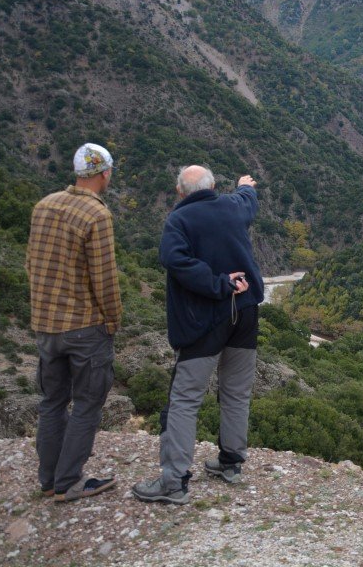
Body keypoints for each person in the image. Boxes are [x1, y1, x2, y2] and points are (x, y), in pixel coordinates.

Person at [132, 166, 264, 505]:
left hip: (205, 319)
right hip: (246, 313)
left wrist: (220, 284)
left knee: (185, 398)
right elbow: (246, 201)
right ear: (214, 187)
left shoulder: (180, 221)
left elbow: (174, 259)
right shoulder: (232, 206)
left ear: (179, 192)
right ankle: (231, 463)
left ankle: (173, 481)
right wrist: (245, 186)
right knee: (236, 392)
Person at [26, 142, 122, 502]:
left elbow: (31, 262)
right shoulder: (96, 215)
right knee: (86, 402)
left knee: (51, 401)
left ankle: (49, 480)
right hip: (84, 327)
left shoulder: (44, 205)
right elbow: (105, 278)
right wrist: (112, 319)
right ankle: (70, 482)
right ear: (104, 173)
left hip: (46, 325)